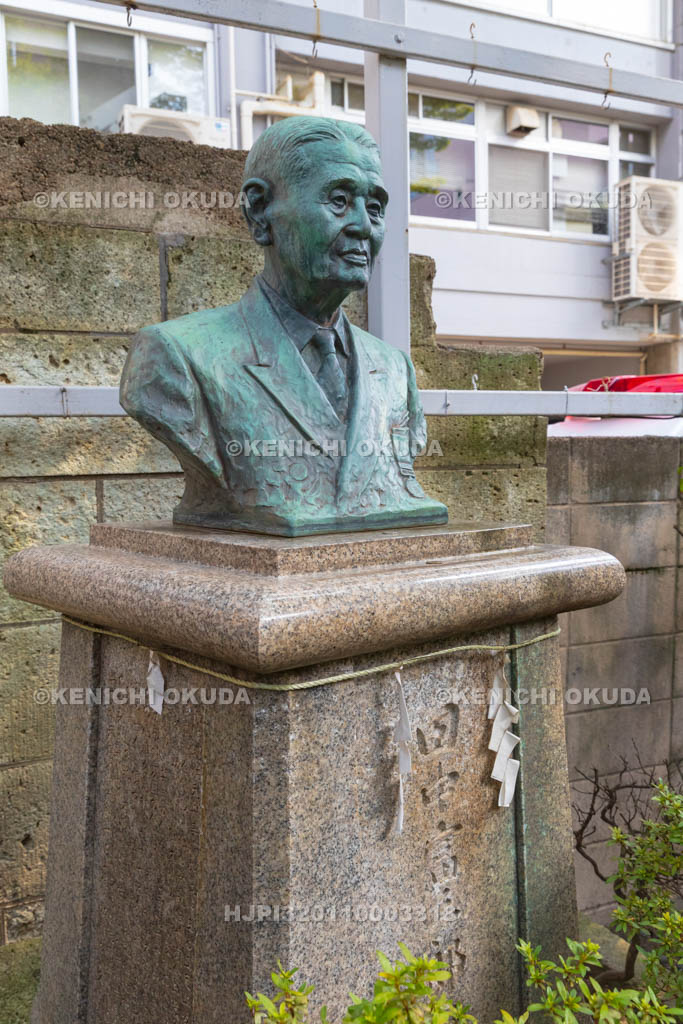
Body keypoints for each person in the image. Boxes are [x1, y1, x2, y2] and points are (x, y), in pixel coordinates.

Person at [120, 116, 447, 536]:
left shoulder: (395, 368)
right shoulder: (176, 354)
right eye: (339, 200)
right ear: (260, 210)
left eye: (376, 207)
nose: (364, 226)